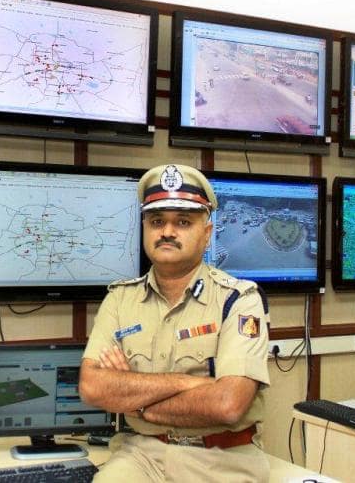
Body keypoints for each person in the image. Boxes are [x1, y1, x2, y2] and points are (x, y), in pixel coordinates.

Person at [79, 163, 271, 482]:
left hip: (222, 459)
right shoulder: (120, 300)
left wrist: (135, 402)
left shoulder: (239, 300)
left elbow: (228, 404)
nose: (167, 232)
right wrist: (188, 383)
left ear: (207, 234)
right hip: (142, 455)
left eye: (183, 221)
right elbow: (92, 386)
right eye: (157, 221)